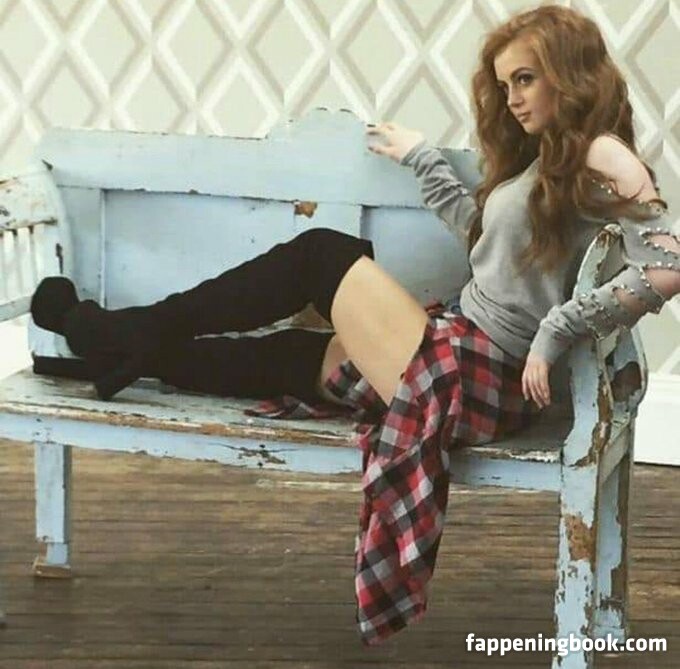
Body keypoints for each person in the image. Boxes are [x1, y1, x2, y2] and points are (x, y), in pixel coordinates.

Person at [29, 3, 679, 647]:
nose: (512, 97)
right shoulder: (549, 162)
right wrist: (423, 159)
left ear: (569, 73)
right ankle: (111, 352)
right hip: (459, 351)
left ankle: (121, 332)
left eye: (526, 78)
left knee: (321, 255)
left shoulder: (602, 153)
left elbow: (668, 265)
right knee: (289, 359)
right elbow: (485, 242)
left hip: (480, 372)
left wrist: (557, 330)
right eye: (506, 82)